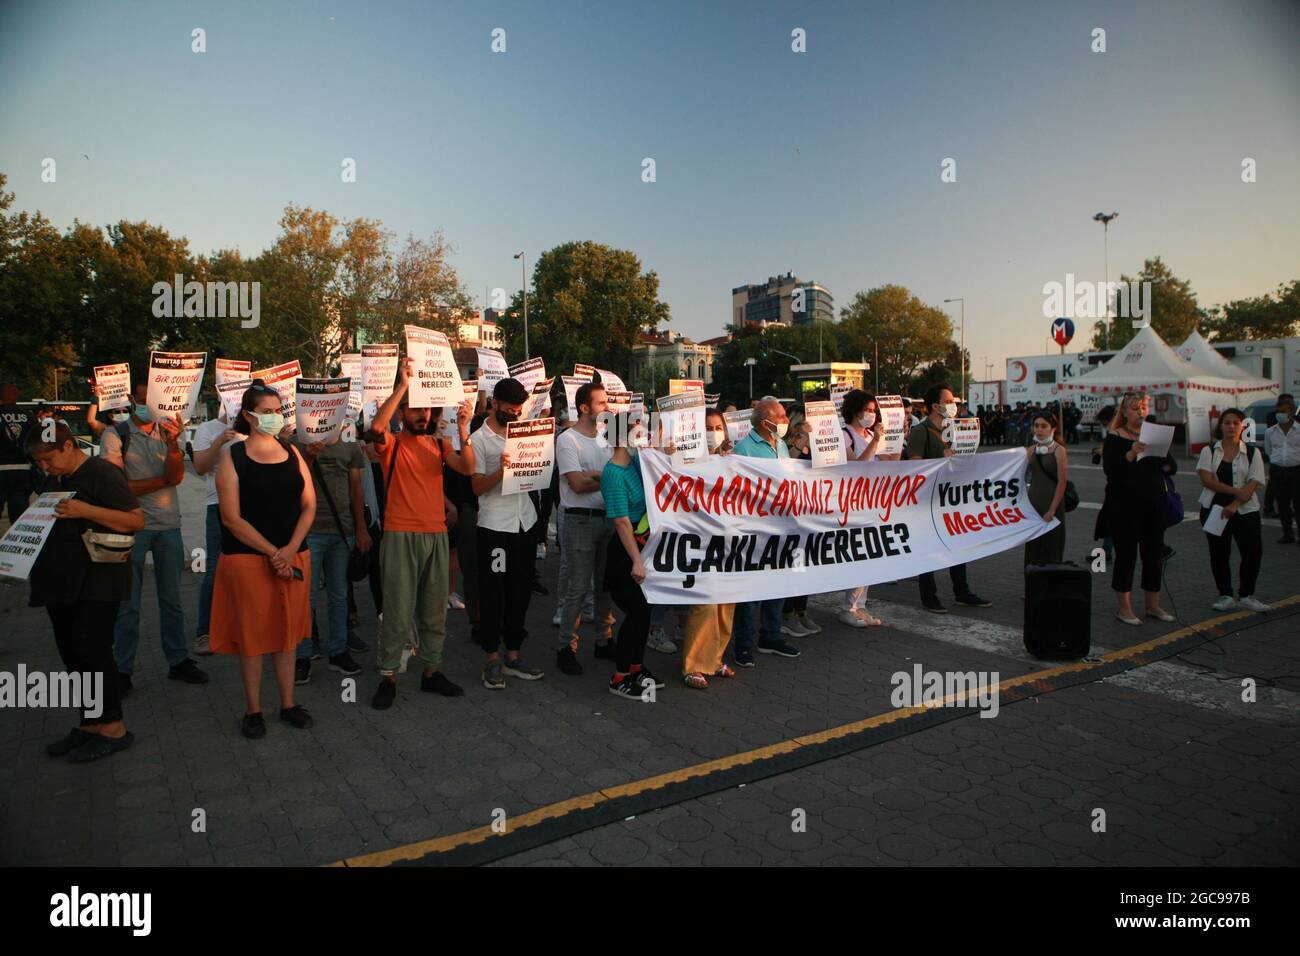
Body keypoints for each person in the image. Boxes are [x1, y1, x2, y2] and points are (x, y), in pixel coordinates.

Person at [26, 421, 143, 761]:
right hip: (63, 585)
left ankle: (113, 727)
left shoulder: (102, 473)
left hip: (98, 582)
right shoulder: (58, 478)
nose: (44, 467)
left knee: (93, 653)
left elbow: (135, 520)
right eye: (39, 462)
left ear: (68, 447)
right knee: (73, 655)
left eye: (48, 459)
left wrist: (85, 510)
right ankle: (90, 723)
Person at [369, 358, 476, 710]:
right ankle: (388, 676)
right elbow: (376, 426)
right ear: (403, 411)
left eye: (427, 409)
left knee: (434, 611)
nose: (423, 415)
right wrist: (402, 385)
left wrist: (463, 430)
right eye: (416, 409)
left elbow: (469, 468)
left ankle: (432, 671)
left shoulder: (438, 445)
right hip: (400, 535)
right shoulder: (392, 443)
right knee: (398, 611)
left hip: (435, 535)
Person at [210, 382, 316, 738]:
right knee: (253, 637)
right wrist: (273, 553)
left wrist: (289, 550)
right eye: (267, 411)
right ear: (249, 415)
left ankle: (288, 703)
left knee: (287, 635)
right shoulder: (232, 456)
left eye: (277, 410)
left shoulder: (290, 451)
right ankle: (253, 709)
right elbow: (231, 518)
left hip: (293, 557)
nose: (274, 417)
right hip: (248, 561)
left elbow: (309, 504)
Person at [100, 382, 208, 695]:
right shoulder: (115, 435)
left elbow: (175, 477)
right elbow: (116, 488)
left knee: (172, 601)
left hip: (168, 526)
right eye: (146, 399)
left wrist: (173, 446)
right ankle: (122, 669)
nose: (151, 406)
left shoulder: (171, 431)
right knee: (128, 604)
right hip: (130, 526)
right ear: (133, 399)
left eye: (156, 400)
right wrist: (160, 480)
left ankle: (178, 660)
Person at [468, 377, 546, 689]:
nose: (515, 415)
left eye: (519, 410)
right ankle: (491, 658)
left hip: (523, 522)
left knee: (520, 590)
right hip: (495, 527)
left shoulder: (525, 433)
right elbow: (476, 487)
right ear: (495, 403)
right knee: (493, 593)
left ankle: (514, 654)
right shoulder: (479, 440)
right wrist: (501, 471)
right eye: (510, 410)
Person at [292, 429, 371, 683]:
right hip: (309, 531)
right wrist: (309, 458)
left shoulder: (349, 444)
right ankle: (302, 655)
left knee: (339, 595)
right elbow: (292, 483)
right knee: (306, 596)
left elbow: (356, 488)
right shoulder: (296, 441)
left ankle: (338, 652)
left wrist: (360, 528)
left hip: (341, 530)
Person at [907, 384, 992, 613]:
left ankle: (962, 591)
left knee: (958, 545)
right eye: (949, 401)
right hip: (928, 500)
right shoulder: (921, 431)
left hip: (952, 498)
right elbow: (913, 465)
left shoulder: (957, 429)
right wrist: (939, 460)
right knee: (928, 548)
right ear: (935, 406)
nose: (953, 405)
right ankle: (929, 596)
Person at [730, 397, 801, 665]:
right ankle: (743, 643)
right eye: (781, 416)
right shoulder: (744, 449)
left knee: (778, 583)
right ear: (765, 422)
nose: (785, 421)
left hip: (781, 526)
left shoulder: (780, 444)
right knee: (751, 590)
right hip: (755, 528)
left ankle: (771, 635)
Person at [1097, 392, 1176, 626]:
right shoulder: (1115, 437)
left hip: (1152, 505)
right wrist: (1132, 452)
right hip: (1124, 507)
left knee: (1153, 557)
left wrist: (1163, 458)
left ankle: (1153, 605)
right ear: (1124, 412)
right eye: (1134, 408)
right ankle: (1125, 608)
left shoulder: (1153, 434)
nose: (1140, 412)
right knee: (1127, 557)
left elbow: (1171, 466)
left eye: (1143, 407)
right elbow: (1111, 469)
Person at [600, 412, 664, 698]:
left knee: (645, 610)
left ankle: (637, 668)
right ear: (622, 437)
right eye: (637, 431)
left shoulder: (637, 463)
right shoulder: (613, 473)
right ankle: (620, 676)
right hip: (626, 553)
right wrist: (636, 561)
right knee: (637, 612)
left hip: (644, 546)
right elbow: (621, 520)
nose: (643, 436)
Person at [554, 381, 615, 675]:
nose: (608, 408)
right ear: (584, 408)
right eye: (602, 403)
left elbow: (626, 468)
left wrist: (596, 475)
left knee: (605, 586)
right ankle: (566, 647)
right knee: (578, 587)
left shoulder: (608, 436)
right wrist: (606, 476)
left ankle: (604, 640)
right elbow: (577, 485)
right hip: (579, 519)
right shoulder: (568, 440)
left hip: (608, 518)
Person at [681, 409, 739, 689]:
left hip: (728, 542)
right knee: (705, 604)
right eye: (707, 426)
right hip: (699, 540)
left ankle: (714, 659)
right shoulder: (686, 460)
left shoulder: (731, 462)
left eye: (718, 427)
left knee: (727, 603)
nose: (713, 431)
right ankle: (694, 664)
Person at [1197, 408, 1269, 612]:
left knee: (1253, 552)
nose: (1230, 426)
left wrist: (1235, 504)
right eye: (1226, 422)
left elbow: (1255, 480)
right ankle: (1225, 595)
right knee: (1219, 554)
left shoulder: (1252, 452)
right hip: (1214, 510)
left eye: (1235, 423)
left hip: (1246, 511)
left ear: (1242, 426)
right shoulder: (1209, 450)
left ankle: (1246, 595)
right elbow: (1207, 480)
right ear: (1220, 426)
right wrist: (1237, 492)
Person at [837, 390, 894, 627]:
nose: (871, 415)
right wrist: (875, 441)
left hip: (874, 500)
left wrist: (895, 441)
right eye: (867, 410)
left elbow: (890, 464)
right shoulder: (845, 435)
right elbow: (857, 465)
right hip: (853, 501)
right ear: (855, 410)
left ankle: (861, 605)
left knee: (872, 554)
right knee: (858, 553)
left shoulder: (873, 434)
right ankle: (847, 606)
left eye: (874, 411)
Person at [190, 406, 244, 656]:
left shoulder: (253, 430)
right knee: (215, 568)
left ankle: (242, 628)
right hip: (218, 505)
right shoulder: (207, 428)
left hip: (252, 507)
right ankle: (205, 632)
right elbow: (200, 467)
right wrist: (221, 440)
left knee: (248, 568)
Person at [1024, 411, 1068, 565]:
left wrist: (1052, 509)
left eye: (1044, 426)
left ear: (1053, 428)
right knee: (1033, 552)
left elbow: (1062, 482)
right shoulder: (1030, 450)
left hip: (1052, 505)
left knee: (1051, 550)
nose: (1039, 430)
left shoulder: (1059, 450)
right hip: (1034, 505)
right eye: (1036, 426)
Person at [1, 383, 36, 527]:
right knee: (19, 517)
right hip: (23, 471)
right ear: (17, 397)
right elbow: (36, 443)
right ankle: (17, 544)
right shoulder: (29, 416)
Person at [1265, 396, 1299, 544]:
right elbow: (1269, 450)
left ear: (1291, 412)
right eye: (1278, 412)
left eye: (1283, 411)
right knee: (1282, 504)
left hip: (1297, 471)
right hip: (1278, 471)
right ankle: (1287, 533)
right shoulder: (1270, 432)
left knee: (1298, 504)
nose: (1280, 414)